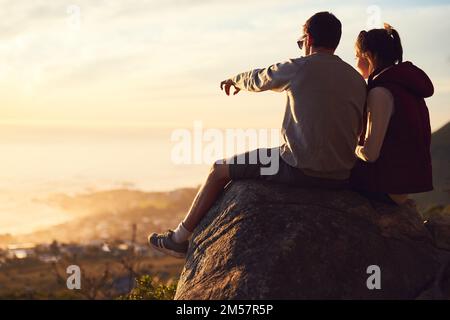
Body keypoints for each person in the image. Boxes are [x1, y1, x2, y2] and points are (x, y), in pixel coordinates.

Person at [148, 12, 366, 258]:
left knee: (219, 169)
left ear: (308, 38)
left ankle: (178, 239)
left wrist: (234, 80)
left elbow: (259, 78)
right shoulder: (357, 79)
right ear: (335, 41)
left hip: (297, 167)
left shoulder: (299, 68)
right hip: (341, 176)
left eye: (301, 41)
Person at [351, 23, 434, 205]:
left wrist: (350, 147)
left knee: (322, 174)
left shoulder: (380, 92)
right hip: (401, 186)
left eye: (356, 56)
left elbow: (370, 154)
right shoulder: (405, 85)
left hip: (384, 186)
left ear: (369, 56)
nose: (355, 62)